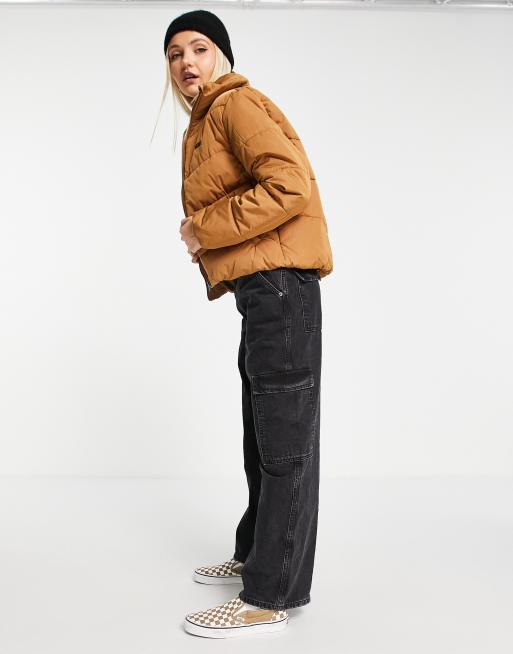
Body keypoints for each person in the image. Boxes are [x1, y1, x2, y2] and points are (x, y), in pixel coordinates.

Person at [161, 9, 334, 638]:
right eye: (175, 53)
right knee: (262, 436)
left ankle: (269, 596)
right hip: (264, 292)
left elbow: (288, 186)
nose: (187, 62)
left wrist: (202, 229)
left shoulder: (236, 104)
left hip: (281, 288)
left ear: (223, 56)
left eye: (199, 48)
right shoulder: (209, 117)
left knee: (284, 443)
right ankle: (254, 554)